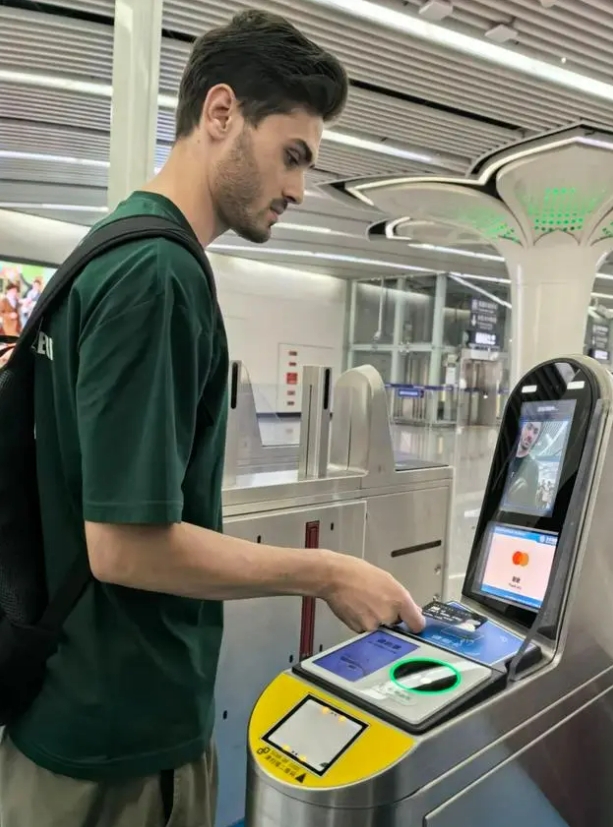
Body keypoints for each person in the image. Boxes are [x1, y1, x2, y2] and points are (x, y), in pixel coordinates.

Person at [0, 10, 424, 827]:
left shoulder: (108, 249)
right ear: (221, 112)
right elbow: (124, 546)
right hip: (120, 746)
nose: (298, 189)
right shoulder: (157, 276)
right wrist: (327, 572)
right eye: (292, 155)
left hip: (68, 706)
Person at [504, 420, 542, 511]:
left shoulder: (533, 467)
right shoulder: (505, 456)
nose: (530, 435)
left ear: (537, 439)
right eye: (529, 427)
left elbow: (530, 504)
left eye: (535, 432)